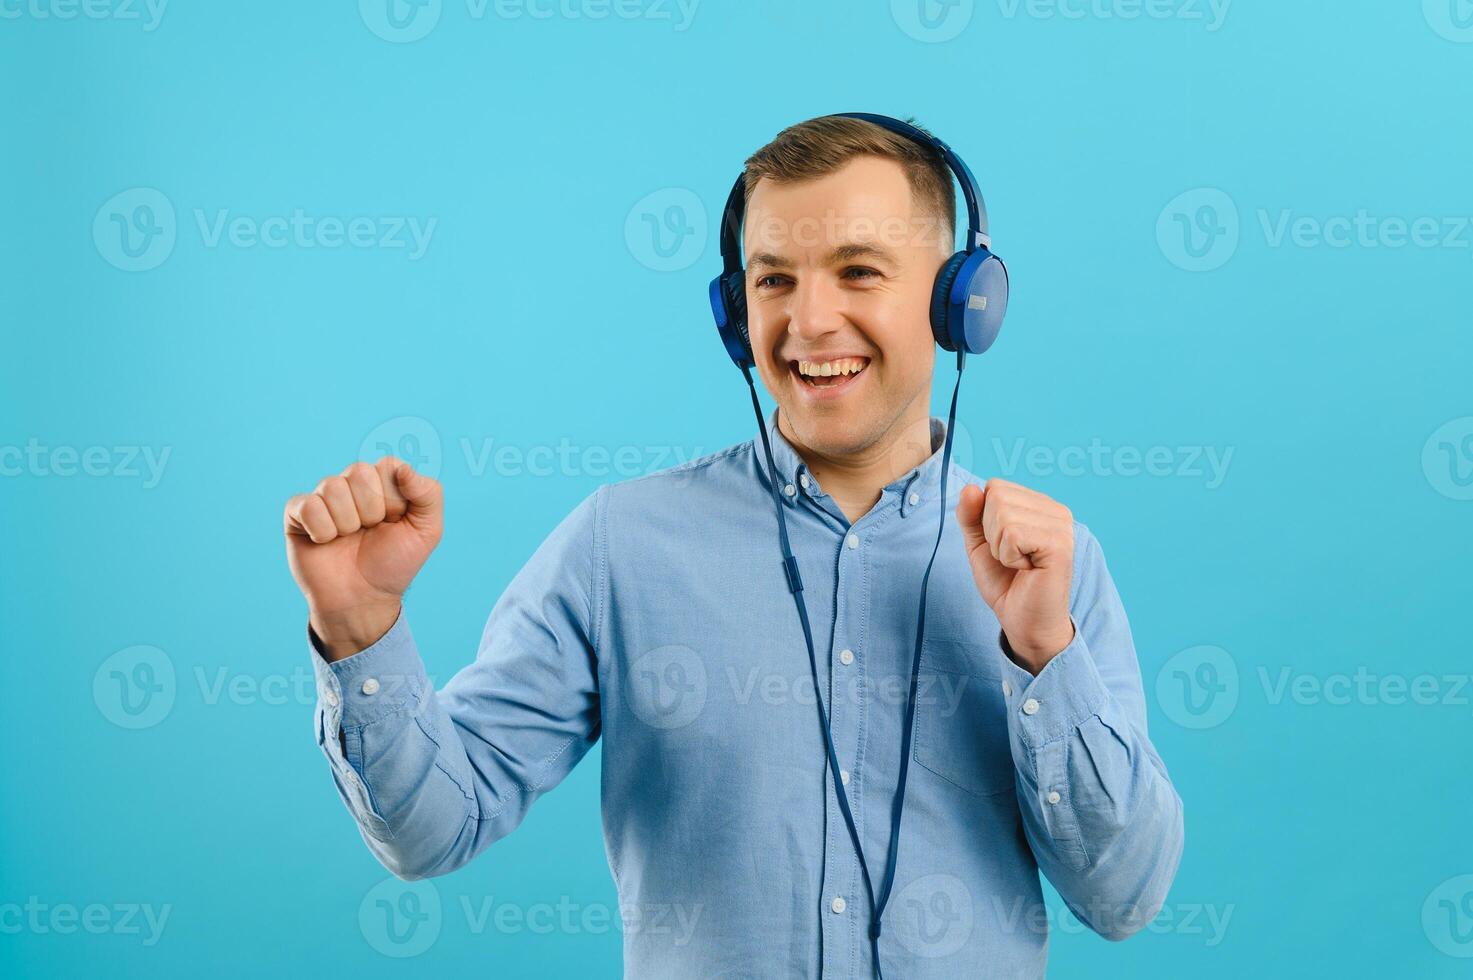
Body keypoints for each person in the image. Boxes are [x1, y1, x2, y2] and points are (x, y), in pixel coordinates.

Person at [283, 113, 1184, 978]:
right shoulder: (618, 546)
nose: (807, 321)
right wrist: (360, 629)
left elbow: (1123, 897)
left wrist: (1041, 654)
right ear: (733, 313)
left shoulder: (1052, 573)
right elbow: (434, 827)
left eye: (859, 270)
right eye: (772, 279)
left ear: (960, 303)